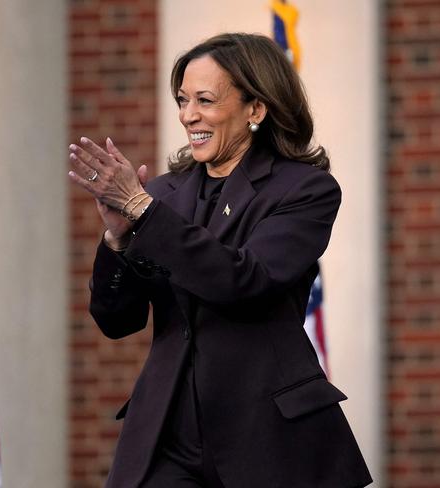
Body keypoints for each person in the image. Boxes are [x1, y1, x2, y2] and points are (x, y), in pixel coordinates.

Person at [68, 33, 372, 488]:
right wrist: (117, 237)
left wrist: (142, 210)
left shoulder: (305, 190)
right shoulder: (161, 195)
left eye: (205, 100)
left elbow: (244, 281)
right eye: (183, 99)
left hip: (266, 435)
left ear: (256, 108)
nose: (189, 115)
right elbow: (118, 319)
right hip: (167, 437)